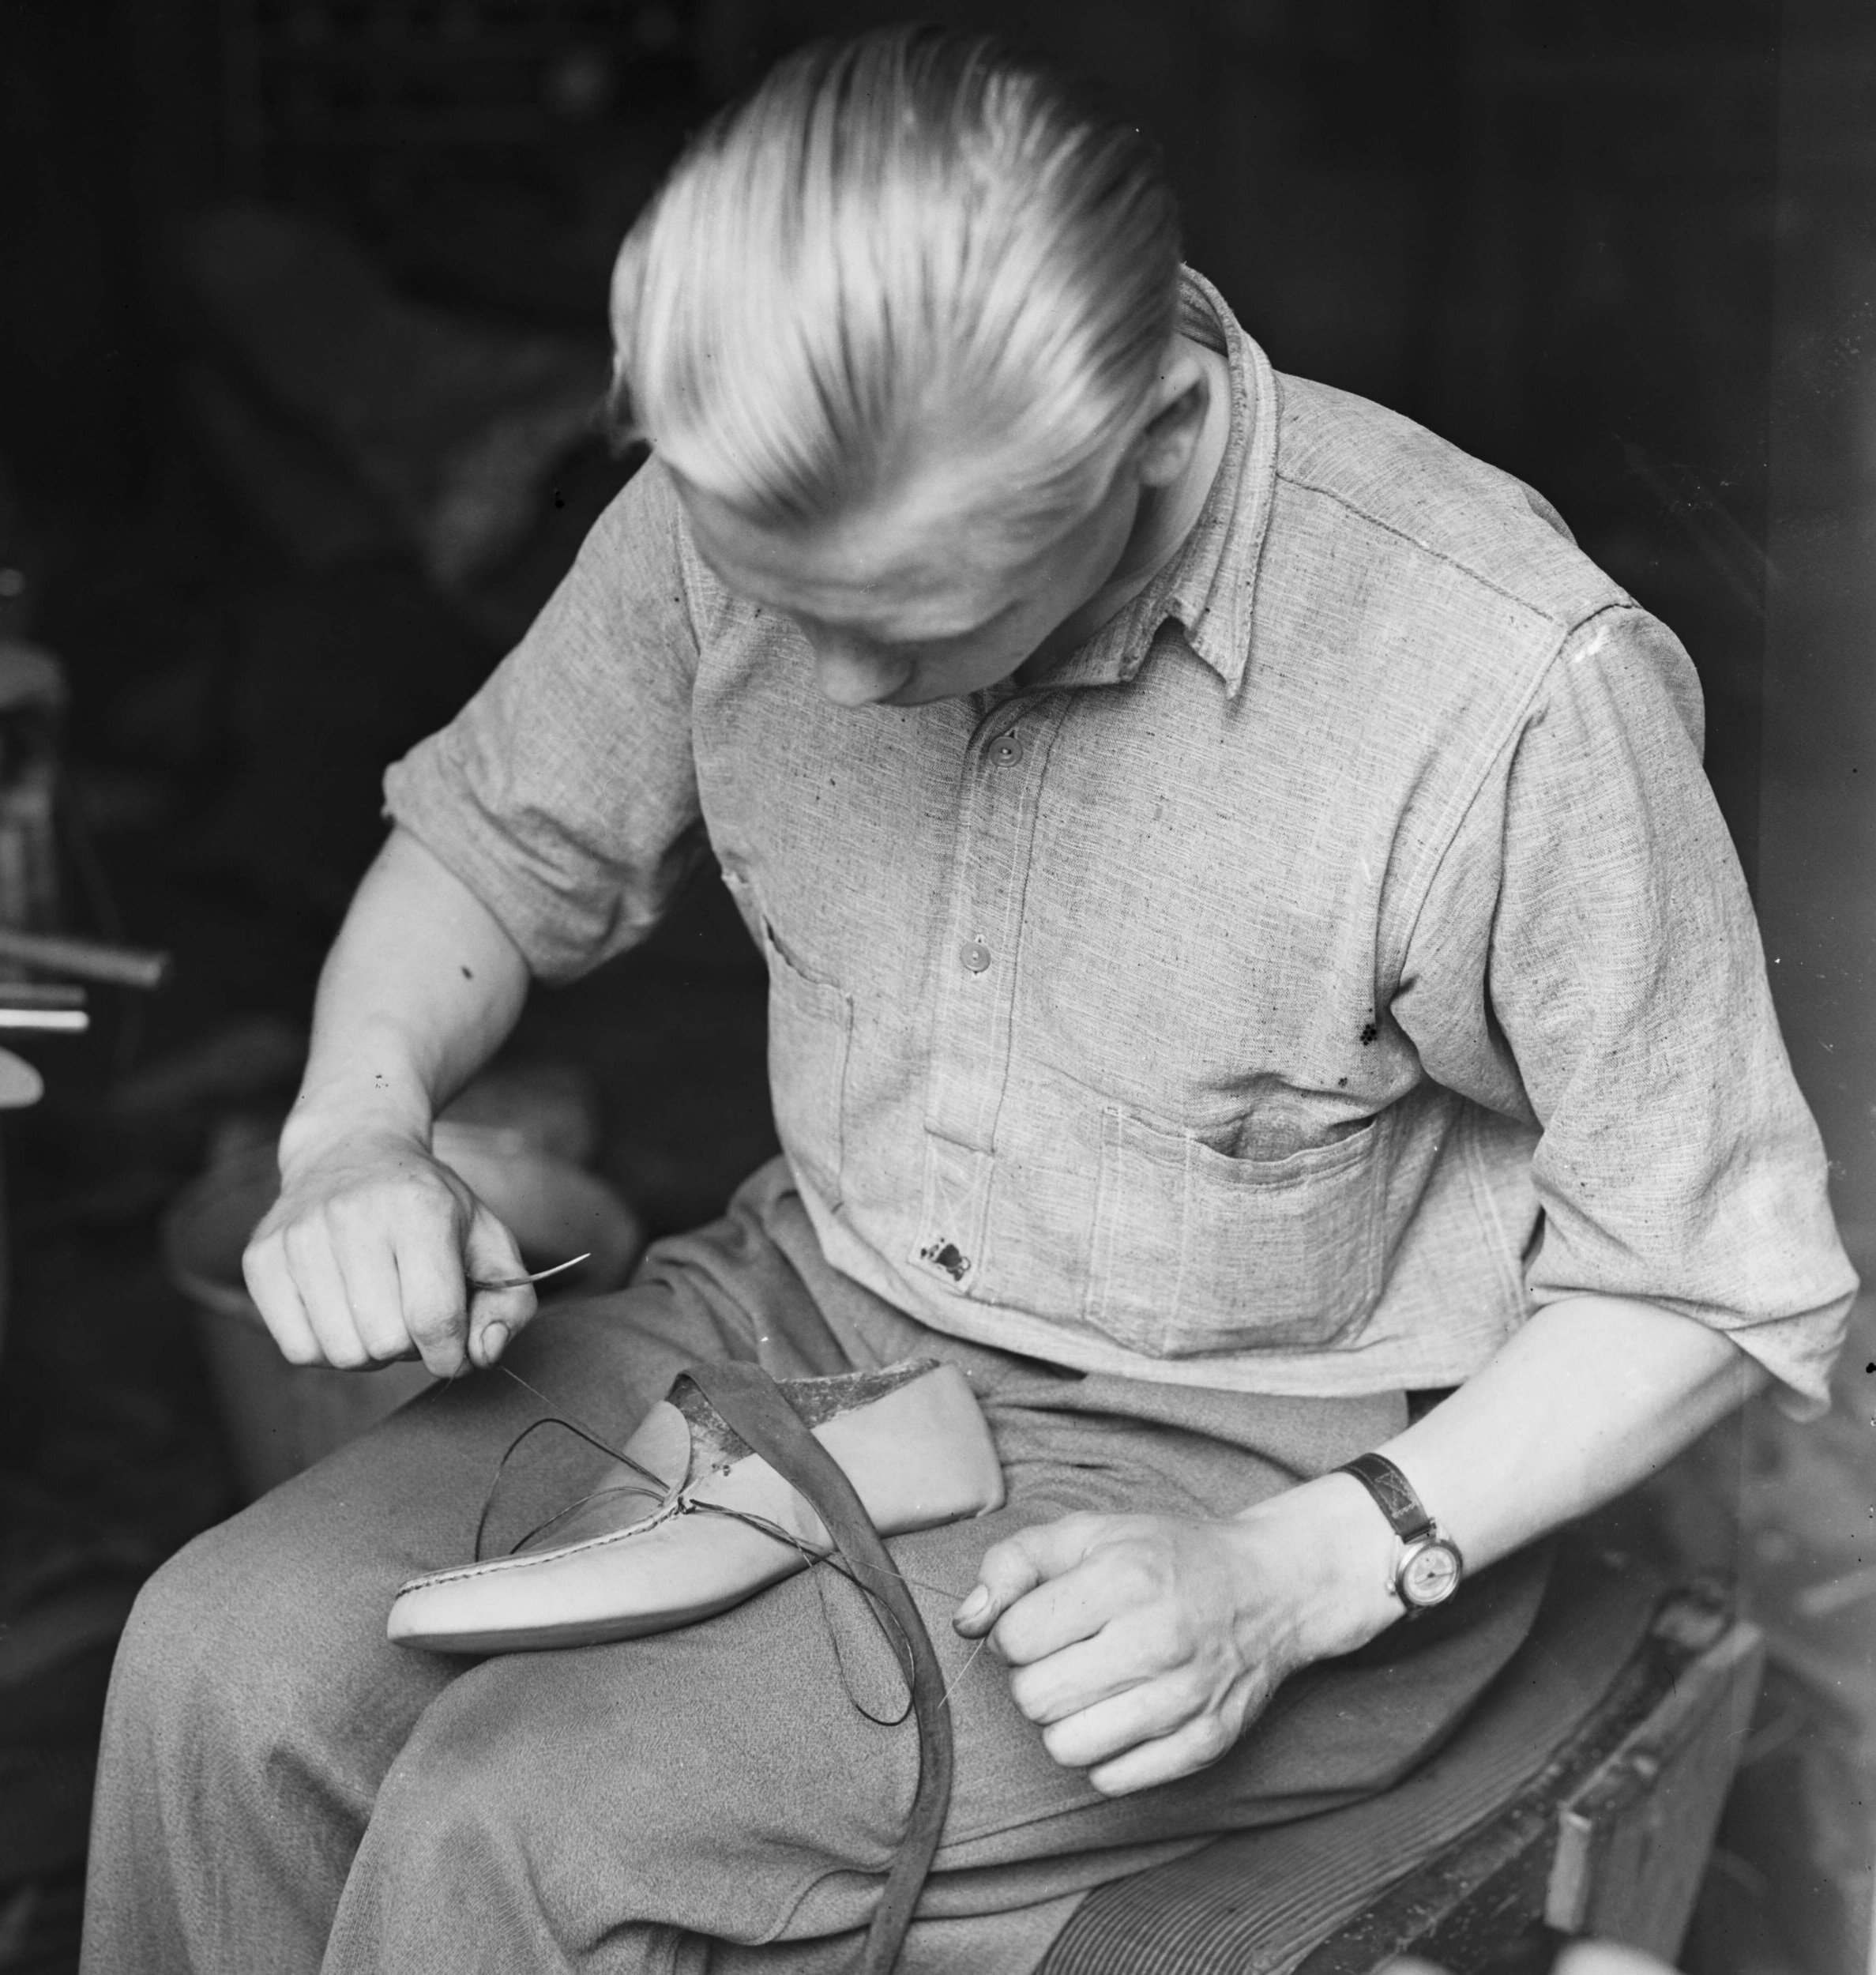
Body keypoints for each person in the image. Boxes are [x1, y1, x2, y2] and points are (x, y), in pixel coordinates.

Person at [83, 26, 1853, 1975]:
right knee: (219, 1662)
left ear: (1156, 436)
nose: (835, 686)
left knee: (524, 1818)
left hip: (1250, 1452)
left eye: (912, 622)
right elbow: (495, 844)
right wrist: (352, 1131)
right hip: (803, 1312)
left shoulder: (1502, 683)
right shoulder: (748, 503)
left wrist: (1304, 1573)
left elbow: (1713, 1278)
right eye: (789, 605)